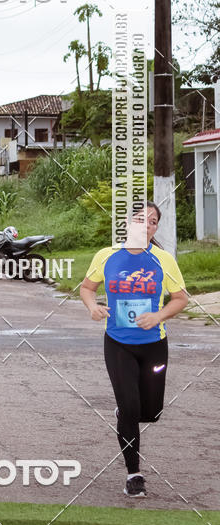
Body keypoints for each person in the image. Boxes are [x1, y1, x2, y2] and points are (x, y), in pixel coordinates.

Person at [80, 202, 188, 498]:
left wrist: (158, 316)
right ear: (128, 222)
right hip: (117, 343)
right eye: (141, 218)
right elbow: (86, 287)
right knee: (130, 408)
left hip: (154, 344)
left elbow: (180, 298)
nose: (147, 224)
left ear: (154, 229)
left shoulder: (163, 260)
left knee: (151, 412)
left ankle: (128, 412)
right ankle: (134, 474)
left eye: (152, 222)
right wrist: (92, 307)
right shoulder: (107, 255)